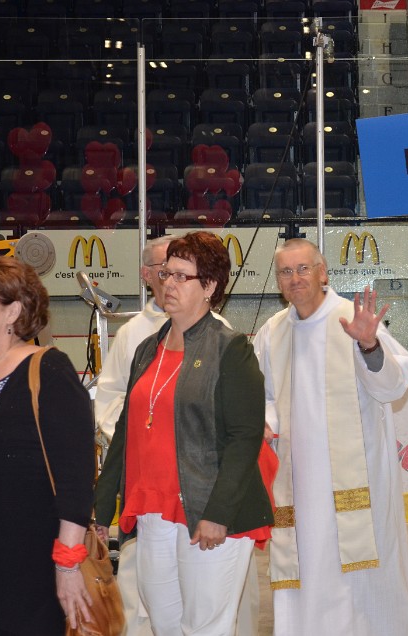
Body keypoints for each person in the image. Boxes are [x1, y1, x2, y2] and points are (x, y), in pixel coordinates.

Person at [94, 231, 273, 634]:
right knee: (164, 625)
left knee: (205, 627)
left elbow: (245, 439)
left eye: (181, 276)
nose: (168, 284)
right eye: (165, 274)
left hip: (208, 512)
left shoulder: (231, 349)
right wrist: (102, 510)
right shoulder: (147, 349)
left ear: (209, 286)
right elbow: (125, 432)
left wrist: (218, 514)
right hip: (153, 511)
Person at [253, 239, 408, 636]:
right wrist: (264, 422)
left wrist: (369, 345)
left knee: (360, 577)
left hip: (355, 481)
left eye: (303, 269)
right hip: (297, 482)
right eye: (285, 272)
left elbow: (393, 386)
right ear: (278, 281)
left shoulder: (352, 318)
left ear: (323, 272)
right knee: (305, 569)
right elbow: (263, 396)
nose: (295, 279)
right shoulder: (272, 331)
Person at [0, 255, 95, 634]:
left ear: (13, 310)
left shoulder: (48, 372)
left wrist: (68, 564)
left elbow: (75, 479)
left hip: (24, 573)